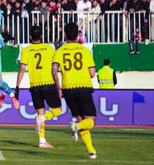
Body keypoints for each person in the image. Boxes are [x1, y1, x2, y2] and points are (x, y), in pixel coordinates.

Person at [52, 22, 98, 159]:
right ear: (78, 35)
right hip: (83, 86)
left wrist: (58, 87)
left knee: (80, 118)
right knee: (90, 121)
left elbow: (54, 71)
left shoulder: (59, 51)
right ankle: (76, 128)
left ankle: (91, 151)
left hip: (68, 88)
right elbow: (92, 73)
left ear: (64, 34)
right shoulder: (85, 50)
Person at [15, 26, 62, 148]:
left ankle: (42, 140)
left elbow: (22, 68)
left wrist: (17, 86)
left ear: (30, 37)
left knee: (40, 112)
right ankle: (43, 119)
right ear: (41, 36)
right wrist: (59, 86)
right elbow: (54, 68)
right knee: (58, 109)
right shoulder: (49, 48)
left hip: (35, 85)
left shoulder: (26, 50)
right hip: (48, 83)